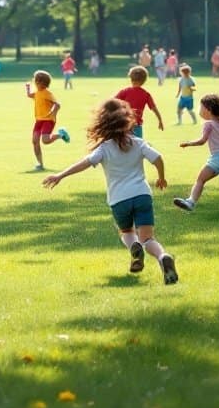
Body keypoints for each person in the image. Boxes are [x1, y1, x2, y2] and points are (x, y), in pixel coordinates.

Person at [43, 98, 178, 286]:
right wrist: (161, 177)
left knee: (126, 232)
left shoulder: (104, 148)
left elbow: (84, 163)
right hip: (142, 195)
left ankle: (134, 248)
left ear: (103, 123)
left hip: (119, 199)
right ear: (127, 120)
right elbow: (158, 158)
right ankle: (163, 257)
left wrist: (60, 175)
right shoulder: (139, 143)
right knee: (148, 238)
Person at [25, 70, 70, 171]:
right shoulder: (37, 93)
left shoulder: (47, 94)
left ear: (41, 82)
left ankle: (61, 135)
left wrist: (53, 111)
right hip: (39, 120)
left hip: (48, 120)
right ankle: (40, 165)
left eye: (36, 81)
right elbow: (29, 95)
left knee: (45, 140)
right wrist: (27, 88)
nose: (34, 82)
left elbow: (57, 104)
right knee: (35, 141)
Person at [115, 65, 164, 138]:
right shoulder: (146, 94)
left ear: (131, 78)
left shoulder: (124, 91)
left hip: (124, 125)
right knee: (138, 147)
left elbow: (111, 103)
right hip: (137, 126)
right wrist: (160, 120)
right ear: (144, 80)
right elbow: (154, 109)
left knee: (123, 146)